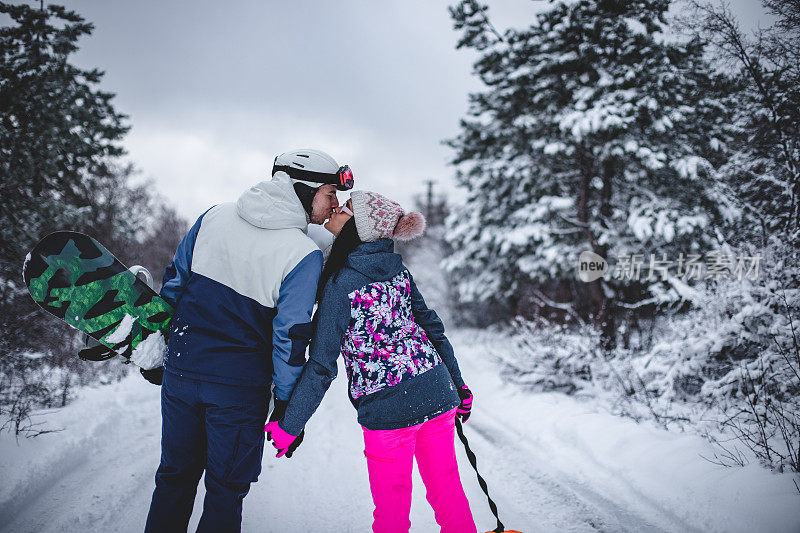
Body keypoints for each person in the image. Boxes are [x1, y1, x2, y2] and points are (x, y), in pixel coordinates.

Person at [144, 149, 354, 533]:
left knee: (173, 477)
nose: (334, 205)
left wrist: (156, 349)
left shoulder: (214, 216)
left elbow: (173, 284)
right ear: (302, 191)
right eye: (329, 194)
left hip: (181, 371)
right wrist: (288, 403)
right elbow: (290, 338)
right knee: (225, 489)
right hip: (239, 391)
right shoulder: (302, 253)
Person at [265, 192, 477, 533]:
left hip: (388, 411)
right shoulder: (398, 271)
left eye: (346, 209)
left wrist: (289, 425)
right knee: (448, 492)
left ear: (360, 228)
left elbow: (321, 366)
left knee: (391, 514)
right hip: (437, 392)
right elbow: (432, 328)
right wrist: (458, 384)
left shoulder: (340, 286)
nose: (337, 208)